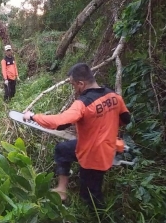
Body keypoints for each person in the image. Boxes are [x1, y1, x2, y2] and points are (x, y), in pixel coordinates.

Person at [23, 63, 131, 210]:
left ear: (81, 83)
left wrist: (33, 116)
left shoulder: (83, 104)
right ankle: (62, 190)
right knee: (62, 150)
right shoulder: (113, 96)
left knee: (91, 198)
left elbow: (59, 123)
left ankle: (99, 216)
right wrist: (105, 127)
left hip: (93, 157)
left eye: (73, 85)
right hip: (104, 145)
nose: (74, 88)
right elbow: (125, 119)